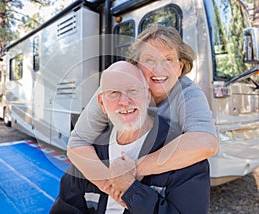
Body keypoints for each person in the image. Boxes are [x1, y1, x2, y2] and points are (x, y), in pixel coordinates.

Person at [66, 25, 218, 194]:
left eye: (168, 59)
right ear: (135, 64)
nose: (159, 70)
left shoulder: (188, 93)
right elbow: (78, 142)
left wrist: (133, 169)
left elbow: (206, 142)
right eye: (149, 60)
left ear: (180, 67)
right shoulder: (114, 87)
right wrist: (111, 186)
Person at [50, 61, 210, 213]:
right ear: (101, 103)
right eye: (114, 93)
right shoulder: (88, 157)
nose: (124, 101)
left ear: (148, 97)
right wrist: (111, 184)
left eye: (133, 91)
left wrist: (131, 190)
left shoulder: (185, 159)